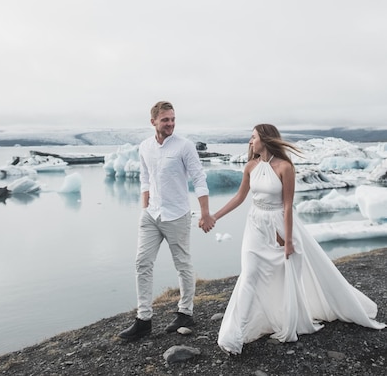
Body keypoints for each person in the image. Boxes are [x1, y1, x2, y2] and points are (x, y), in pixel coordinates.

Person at [201, 124, 385, 355]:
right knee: (249, 274)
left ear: (266, 140)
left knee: (284, 275)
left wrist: (287, 240)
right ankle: (234, 335)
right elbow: (240, 197)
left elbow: (288, 206)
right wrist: (214, 216)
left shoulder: (285, 167)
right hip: (255, 225)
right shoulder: (250, 166)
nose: (250, 142)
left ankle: (283, 317)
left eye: (253, 138)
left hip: (278, 224)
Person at [119, 101, 216, 341]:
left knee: (182, 264)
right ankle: (143, 320)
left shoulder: (185, 146)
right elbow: (145, 178)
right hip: (151, 215)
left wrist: (205, 213)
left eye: (172, 119)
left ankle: (185, 312)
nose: (170, 123)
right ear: (153, 121)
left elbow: (199, 179)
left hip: (177, 215)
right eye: (165, 120)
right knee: (142, 263)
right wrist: (144, 207)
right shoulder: (144, 147)